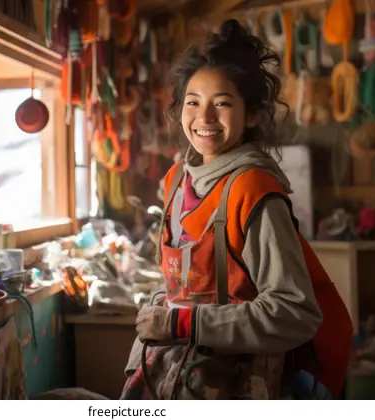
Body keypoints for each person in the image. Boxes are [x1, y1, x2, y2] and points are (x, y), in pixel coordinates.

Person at [120, 19, 353, 400]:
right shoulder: (177, 179)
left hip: (234, 382)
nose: (205, 118)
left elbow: (294, 312)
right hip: (175, 371)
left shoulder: (253, 190)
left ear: (254, 115)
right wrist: (165, 306)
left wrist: (183, 321)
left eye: (223, 103)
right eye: (193, 102)